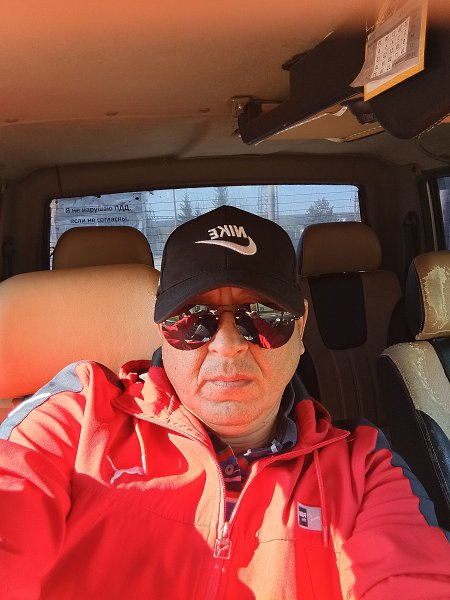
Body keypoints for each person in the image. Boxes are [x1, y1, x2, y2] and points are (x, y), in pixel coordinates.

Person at [0, 206, 449, 599]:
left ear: (301, 328)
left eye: (264, 317)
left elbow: (411, 574)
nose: (227, 346)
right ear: (162, 330)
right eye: (194, 319)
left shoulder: (363, 466)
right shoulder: (76, 419)